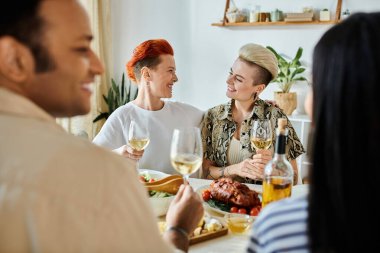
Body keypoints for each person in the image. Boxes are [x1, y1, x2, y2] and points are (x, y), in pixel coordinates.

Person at [0, 1, 203, 252]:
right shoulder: (99, 174)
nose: (98, 67)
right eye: (80, 48)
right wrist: (179, 230)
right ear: (15, 59)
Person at [247, 12, 380, 252]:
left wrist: (178, 232)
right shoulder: (214, 116)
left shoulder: (280, 229)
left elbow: (293, 176)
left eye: (313, 85)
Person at [93, 39, 203, 174]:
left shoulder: (185, 112)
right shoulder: (122, 116)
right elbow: (90, 158)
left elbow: (221, 116)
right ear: (147, 74)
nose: (175, 78)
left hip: (180, 194)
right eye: (170, 71)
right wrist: (118, 154)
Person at [201, 43, 304, 184]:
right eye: (231, 72)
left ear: (259, 88)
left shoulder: (276, 118)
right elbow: (204, 173)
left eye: (238, 79)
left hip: (262, 202)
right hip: (220, 201)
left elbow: (294, 178)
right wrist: (234, 169)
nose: (228, 80)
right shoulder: (213, 116)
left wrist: (271, 170)